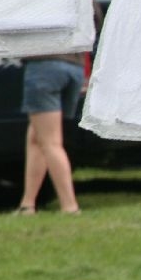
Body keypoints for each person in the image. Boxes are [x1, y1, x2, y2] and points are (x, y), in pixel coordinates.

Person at [16, 51, 86, 214]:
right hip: (75, 67)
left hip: (44, 67)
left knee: (51, 143)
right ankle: (27, 204)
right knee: (37, 137)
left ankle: (70, 206)